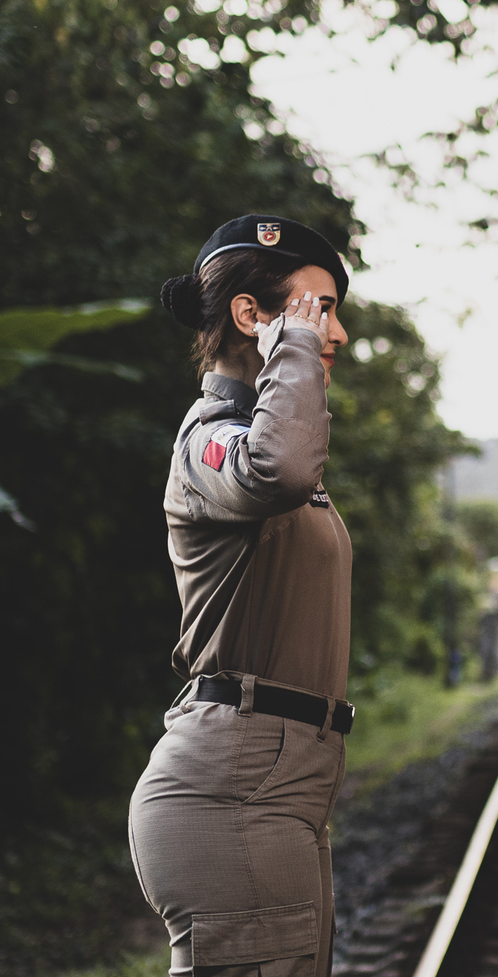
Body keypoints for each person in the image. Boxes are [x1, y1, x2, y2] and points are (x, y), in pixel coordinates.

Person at [129, 215, 353, 977]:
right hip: (234, 789)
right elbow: (279, 467)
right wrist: (292, 348)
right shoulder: (210, 443)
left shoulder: (260, 444)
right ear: (251, 317)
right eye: (320, 309)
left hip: (282, 788)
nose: (339, 335)